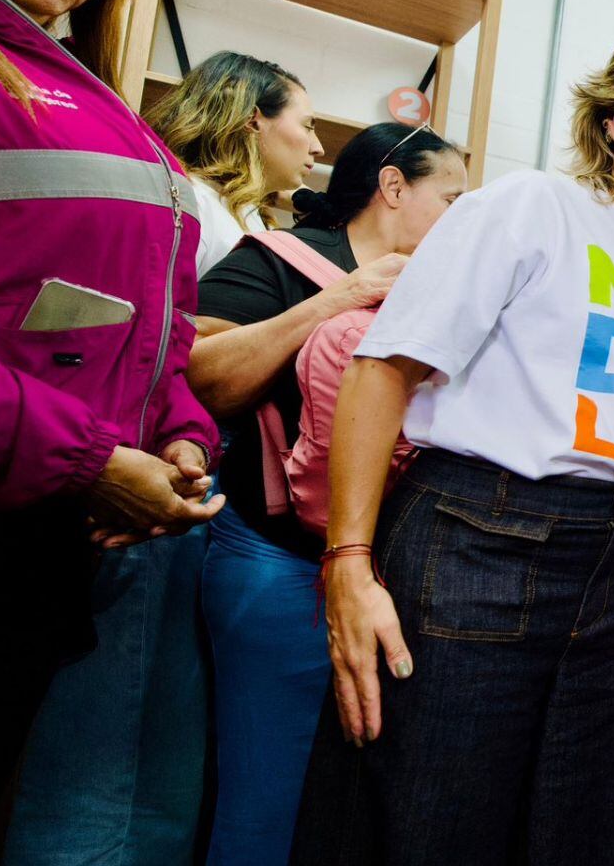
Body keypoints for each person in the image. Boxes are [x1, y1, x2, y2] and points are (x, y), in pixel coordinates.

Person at [293, 20, 614, 866]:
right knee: (430, 825)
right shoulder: (532, 206)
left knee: (589, 837)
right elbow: (379, 372)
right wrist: (348, 561)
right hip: (480, 547)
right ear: (611, 117)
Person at [0, 0, 220, 855]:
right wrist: (87, 457)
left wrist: (180, 434)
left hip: (39, 532)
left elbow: (154, 323)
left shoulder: (84, 88)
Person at [6, 50, 326, 865]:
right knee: (114, 745)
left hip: (179, 473)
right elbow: (174, 353)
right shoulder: (193, 209)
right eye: (304, 119)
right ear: (255, 116)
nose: (315, 140)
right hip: (134, 479)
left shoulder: (244, 222)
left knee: (158, 738)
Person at [188, 122, 464, 866]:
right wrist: (336, 299)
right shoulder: (277, 260)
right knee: (267, 791)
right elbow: (199, 376)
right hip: (276, 563)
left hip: (393, 575)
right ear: (395, 187)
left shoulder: (444, 294)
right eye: (453, 196)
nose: (464, 218)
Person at [145, 49, 324, 273]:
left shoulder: (248, 213)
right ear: (252, 121)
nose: (318, 148)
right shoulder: (193, 207)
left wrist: (305, 201)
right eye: (307, 126)